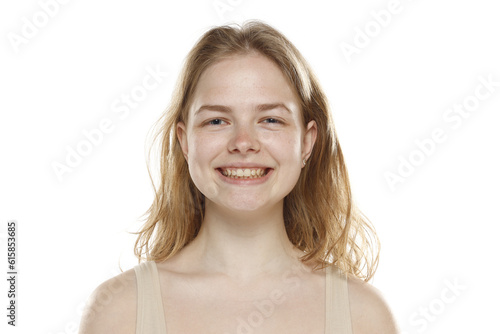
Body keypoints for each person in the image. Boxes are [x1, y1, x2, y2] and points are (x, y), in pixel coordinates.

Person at [79, 21, 399, 334]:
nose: (243, 142)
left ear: (307, 142)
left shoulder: (365, 317)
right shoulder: (118, 312)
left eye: (270, 119)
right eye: (217, 121)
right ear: (184, 141)